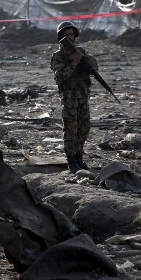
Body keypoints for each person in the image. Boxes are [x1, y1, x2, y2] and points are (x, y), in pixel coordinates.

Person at [51, 21, 99, 173]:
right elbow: (60, 77)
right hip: (69, 97)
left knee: (83, 129)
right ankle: (71, 160)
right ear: (61, 37)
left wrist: (83, 58)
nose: (70, 37)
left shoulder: (81, 51)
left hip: (83, 96)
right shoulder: (58, 56)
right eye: (66, 35)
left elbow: (94, 68)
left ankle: (79, 158)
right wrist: (73, 64)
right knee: (71, 130)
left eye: (72, 34)